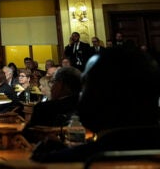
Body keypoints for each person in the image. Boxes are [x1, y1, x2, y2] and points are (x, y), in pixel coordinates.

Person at [32, 47, 160, 162]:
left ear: (106, 92)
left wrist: (49, 154)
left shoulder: (71, 160)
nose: (80, 94)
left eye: (85, 86)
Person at [22, 65, 81, 143]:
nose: (51, 87)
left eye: (53, 82)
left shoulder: (44, 109)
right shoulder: (88, 106)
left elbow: (27, 137)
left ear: (60, 84)